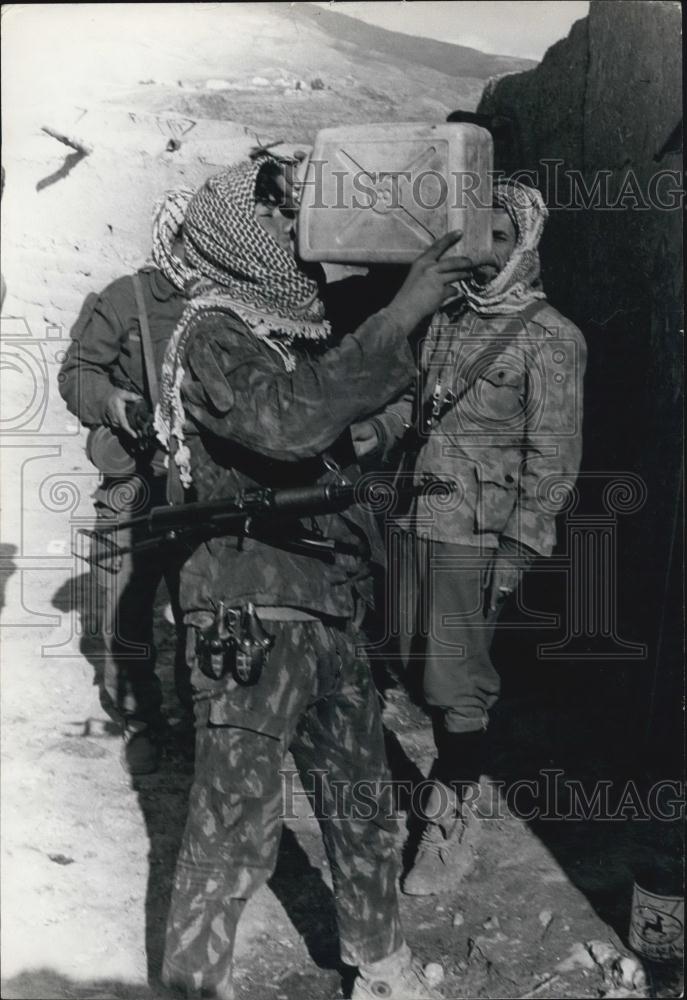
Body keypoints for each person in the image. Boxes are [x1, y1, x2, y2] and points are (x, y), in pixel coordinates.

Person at [155, 151, 477, 1000]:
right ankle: (194, 986)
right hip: (249, 609)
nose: (287, 231)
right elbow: (289, 422)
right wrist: (401, 311)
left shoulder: (285, 333)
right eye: (271, 217)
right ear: (233, 234)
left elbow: (331, 422)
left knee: (362, 805)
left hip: (326, 603)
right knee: (233, 824)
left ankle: (378, 961)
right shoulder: (209, 334)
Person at [352, 180, 587, 895]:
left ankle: (452, 821)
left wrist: (517, 552)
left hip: (474, 536)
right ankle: (429, 788)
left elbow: (553, 462)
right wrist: (375, 430)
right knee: (405, 661)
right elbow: (410, 404)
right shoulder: (448, 318)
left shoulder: (553, 339)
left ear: (520, 243)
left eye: (489, 233)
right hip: (412, 520)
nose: (473, 246)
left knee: (456, 685)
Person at [59, 190, 196, 774]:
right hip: (132, 482)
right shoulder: (124, 299)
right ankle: (140, 716)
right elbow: (75, 374)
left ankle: (201, 719)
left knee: (203, 606)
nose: (199, 251)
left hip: (198, 484)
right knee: (125, 606)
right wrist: (113, 401)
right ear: (171, 237)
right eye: (190, 238)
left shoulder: (227, 300)